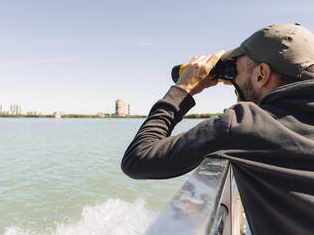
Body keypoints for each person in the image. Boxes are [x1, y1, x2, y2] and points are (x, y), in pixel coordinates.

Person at [121, 24, 314, 235]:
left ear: (261, 75)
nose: (232, 83)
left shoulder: (245, 124)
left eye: (236, 71)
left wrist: (182, 89)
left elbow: (138, 158)